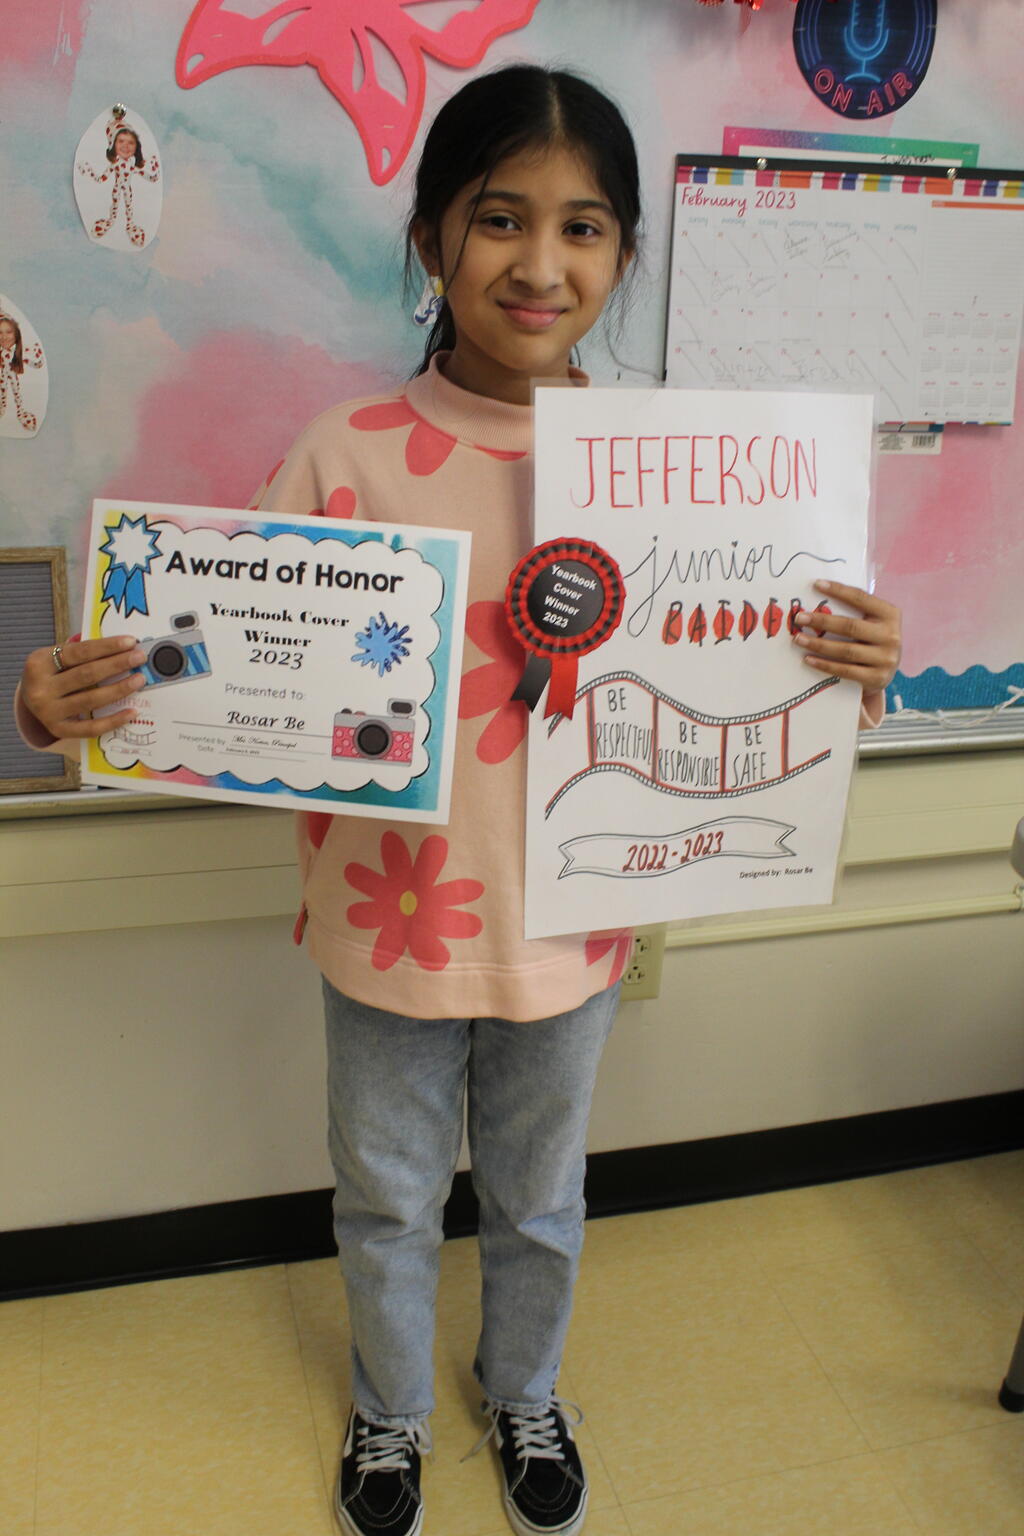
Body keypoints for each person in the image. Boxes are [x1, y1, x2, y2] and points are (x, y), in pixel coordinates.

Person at [16, 65, 902, 1536]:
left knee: (543, 1201)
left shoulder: (690, 469)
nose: (540, 263)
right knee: (384, 1198)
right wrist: (73, 701)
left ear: (624, 254)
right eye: (499, 218)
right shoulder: (346, 452)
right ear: (431, 237)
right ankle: (391, 1412)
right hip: (390, 924)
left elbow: (758, 668)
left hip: (574, 927)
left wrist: (854, 666)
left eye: (583, 227)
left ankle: (524, 1386)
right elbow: (217, 659)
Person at [76, 113, 160, 247]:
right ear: (113, 145)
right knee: (115, 205)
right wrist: (89, 171)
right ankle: (111, 221)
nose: (126, 146)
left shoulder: (131, 166)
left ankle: (130, 225)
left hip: (127, 191)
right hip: (116, 190)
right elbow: (101, 179)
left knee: (128, 205)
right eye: (121, 141)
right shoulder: (115, 165)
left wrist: (155, 172)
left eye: (131, 142)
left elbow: (147, 175)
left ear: (136, 147)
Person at [0, 311, 44, 433]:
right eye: (0, 333)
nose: (4, 337)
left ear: (16, 334)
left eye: (8, 332)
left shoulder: (22, 351)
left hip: (14, 375)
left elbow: (37, 362)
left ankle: (19, 411)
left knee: (15, 388)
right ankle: (3, 407)